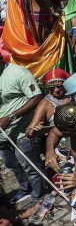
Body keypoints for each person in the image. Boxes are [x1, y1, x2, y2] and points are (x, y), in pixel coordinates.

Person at [0, 61, 45, 205]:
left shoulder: (18, 72)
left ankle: (39, 195)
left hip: (20, 132)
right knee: (12, 164)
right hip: (2, 135)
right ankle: (25, 189)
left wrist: (11, 117)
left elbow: (37, 97)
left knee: (29, 165)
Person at [26, 68, 71, 138]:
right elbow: (29, 130)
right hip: (58, 144)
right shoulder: (45, 103)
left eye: (59, 86)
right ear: (47, 87)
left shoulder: (74, 96)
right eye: (52, 88)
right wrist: (33, 131)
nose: (56, 90)